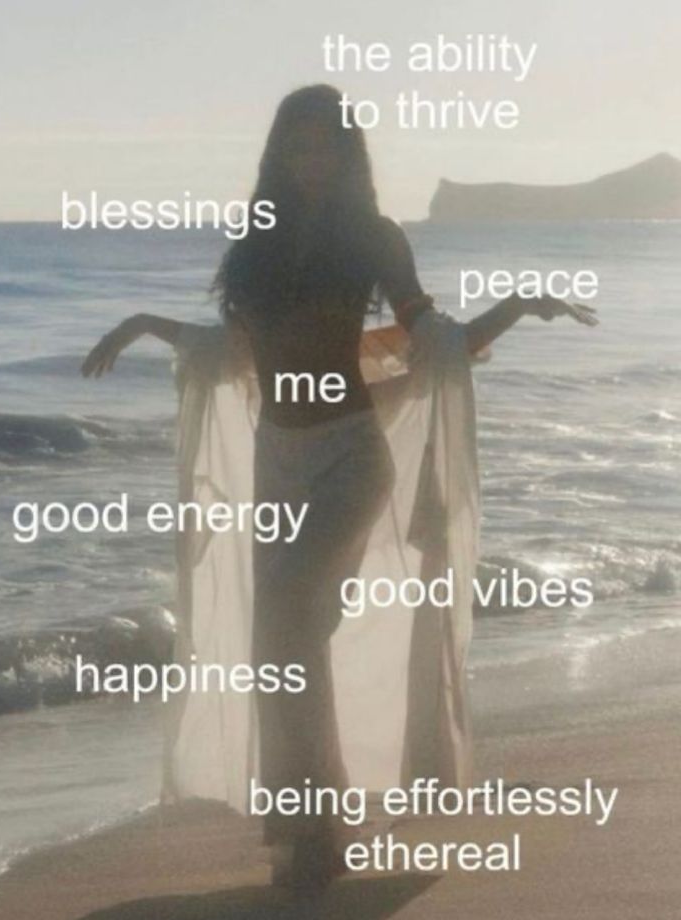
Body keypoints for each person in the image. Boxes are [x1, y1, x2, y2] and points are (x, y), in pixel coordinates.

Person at [81, 84, 597, 894]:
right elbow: (235, 352)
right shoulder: (258, 244)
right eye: (299, 145)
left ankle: (322, 827)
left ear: (347, 152)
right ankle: (300, 820)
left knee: (288, 624)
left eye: (326, 144)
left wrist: (514, 307)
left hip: (352, 460)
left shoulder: (373, 237)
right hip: (278, 463)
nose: (312, 158)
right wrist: (145, 323)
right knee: (279, 646)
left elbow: (429, 337)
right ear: (280, 154)